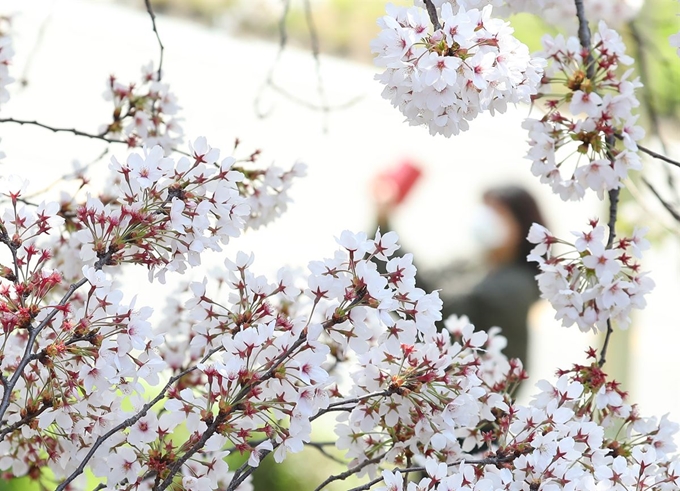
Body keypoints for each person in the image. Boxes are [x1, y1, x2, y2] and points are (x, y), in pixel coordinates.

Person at [374, 184, 546, 366]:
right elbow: (426, 278)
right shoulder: (472, 263)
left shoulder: (516, 285)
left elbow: (440, 315)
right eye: (485, 209)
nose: (487, 219)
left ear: (521, 225)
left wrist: (384, 228)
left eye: (497, 213)